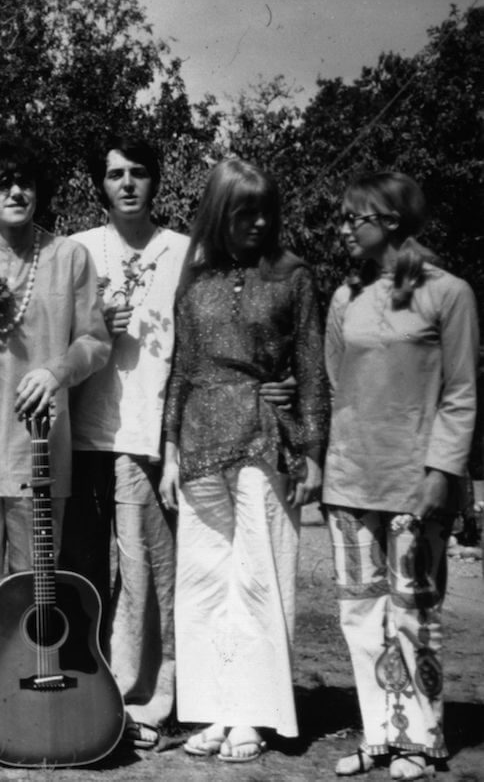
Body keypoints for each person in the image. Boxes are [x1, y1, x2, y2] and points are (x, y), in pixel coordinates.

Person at [0, 138, 111, 753]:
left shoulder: (69, 257)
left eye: (27, 183)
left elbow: (96, 343)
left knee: (34, 586)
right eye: (5, 181)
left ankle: (23, 709)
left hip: (41, 453)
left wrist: (57, 371)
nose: (16, 192)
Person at [159, 157, 328, 763]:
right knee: (204, 588)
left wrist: (313, 450)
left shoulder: (293, 276)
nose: (257, 223)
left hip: (264, 440)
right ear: (218, 214)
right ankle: (211, 711)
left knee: (259, 581)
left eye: (265, 211)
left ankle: (252, 715)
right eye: (243, 212)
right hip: (201, 444)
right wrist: (171, 451)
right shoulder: (195, 280)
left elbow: (311, 369)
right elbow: (182, 370)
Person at [323, 173, 477, 781]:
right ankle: (379, 735)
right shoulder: (345, 299)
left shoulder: (450, 293)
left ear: (389, 220)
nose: (342, 228)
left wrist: (443, 469)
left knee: (415, 609)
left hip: (418, 482)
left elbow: (463, 392)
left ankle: (420, 738)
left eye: (351, 217)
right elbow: (339, 382)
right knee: (360, 614)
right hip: (351, 479)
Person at [64, 137, 189, 749]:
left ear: (156, 181)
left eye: (140, 172)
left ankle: (146, 700)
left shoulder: (183, 252)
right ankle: (88, 691)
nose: (129, 184)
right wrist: (93, 328)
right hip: (84, 432)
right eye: (115, 174)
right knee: (83, 570)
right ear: (101, 185)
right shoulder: (81, 249)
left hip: (147, 431)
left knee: (145, 573)